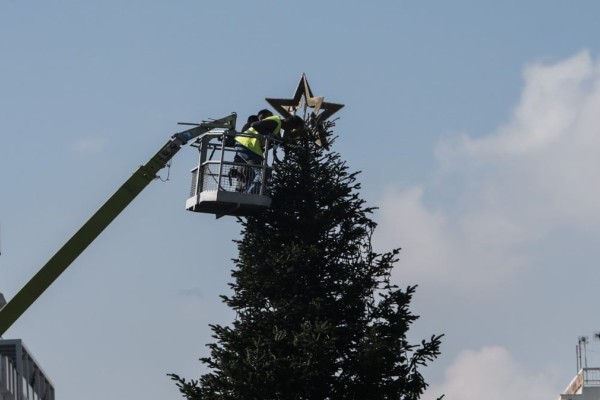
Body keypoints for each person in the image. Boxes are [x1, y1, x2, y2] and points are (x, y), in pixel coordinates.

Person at [234, 114, 304, 193]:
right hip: (247, 146)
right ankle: (249, 195)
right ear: (290, 124)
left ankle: (247, 192)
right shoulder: (275, 122)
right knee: (264, 172)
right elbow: (255, 125)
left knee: (255, 173)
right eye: (292, 129)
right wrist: (269, 134)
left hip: (248, 147)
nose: (290, 131)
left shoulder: (277, 127)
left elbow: (278, 140)